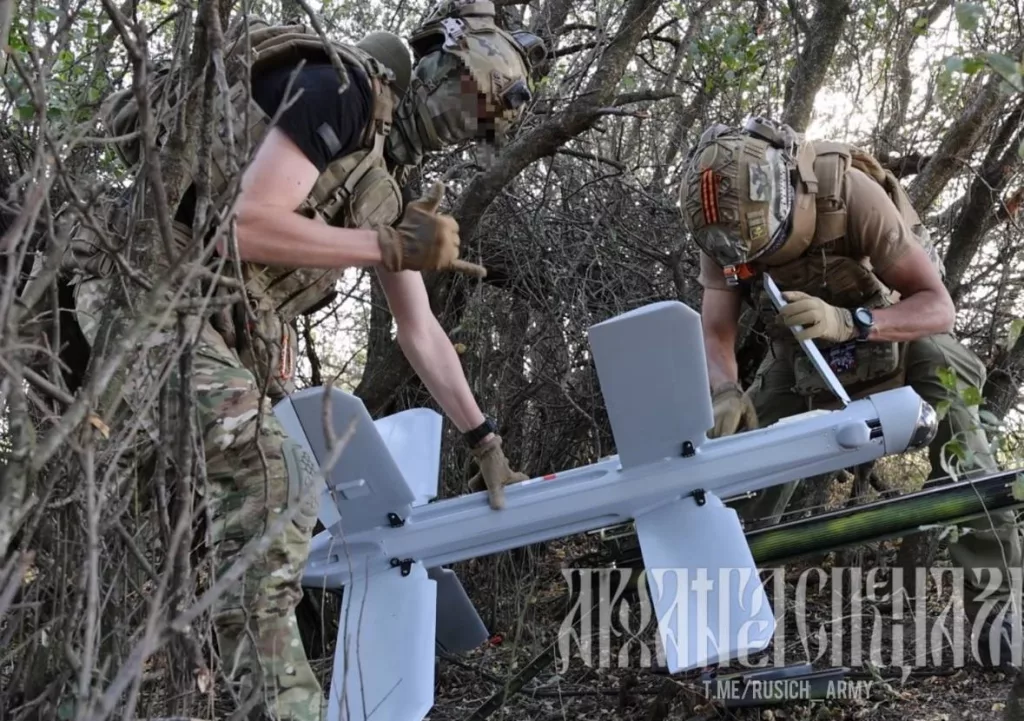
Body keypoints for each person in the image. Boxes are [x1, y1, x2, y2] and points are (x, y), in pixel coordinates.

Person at [60, 2, 540, 718]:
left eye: (482, 121)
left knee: (169, 540)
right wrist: (386, 246)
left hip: (192, 328)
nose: (466, 122)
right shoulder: (336, 88)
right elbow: (241, 226)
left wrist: (486, 439)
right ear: (439, 61)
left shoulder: (383, 183)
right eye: (470, 97)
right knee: (277, 477)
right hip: (138, 291)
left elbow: (421, 331)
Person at [677, 117, 1023, 668]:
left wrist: (851, 320)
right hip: (802, 362)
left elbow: (937, 306)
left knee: (960, 432)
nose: (756, 258)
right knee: (734, 464)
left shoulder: (847, 193)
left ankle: (1000, 610)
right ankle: (716, 629)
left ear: (787, 196)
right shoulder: (722, 228)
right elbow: (716, 329)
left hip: (899, 343)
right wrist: (724, 389)